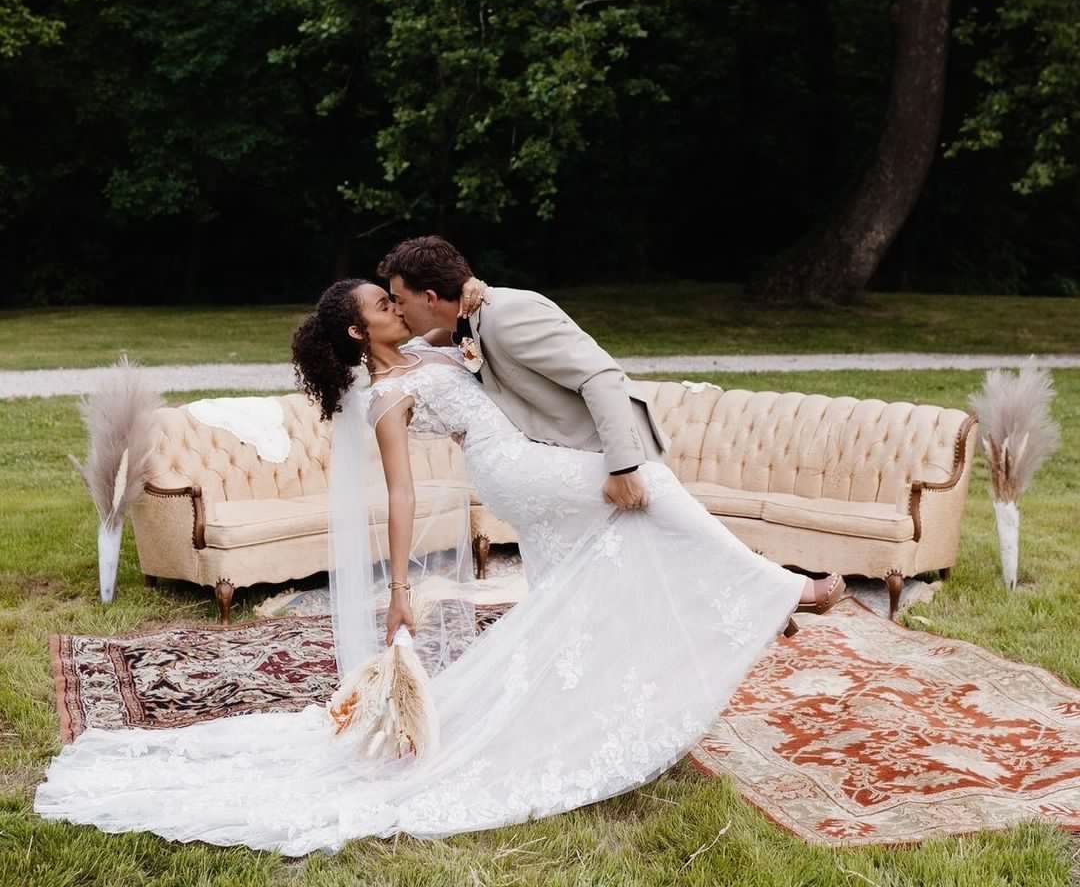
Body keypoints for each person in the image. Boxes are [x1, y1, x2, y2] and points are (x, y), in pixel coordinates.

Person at [32, 258, 844, 856]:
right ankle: (783, 589)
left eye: (394, 297)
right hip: (514, 470)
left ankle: (600, 706)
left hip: (524, 464)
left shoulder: (429, 349)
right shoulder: (388, 397)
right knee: (652, 485)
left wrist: (471, 310)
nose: (396, 307)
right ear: (361, 332)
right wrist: (397, 591)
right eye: (382, 304)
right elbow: (402, 496)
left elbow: (478, 327)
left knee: (580, 583)